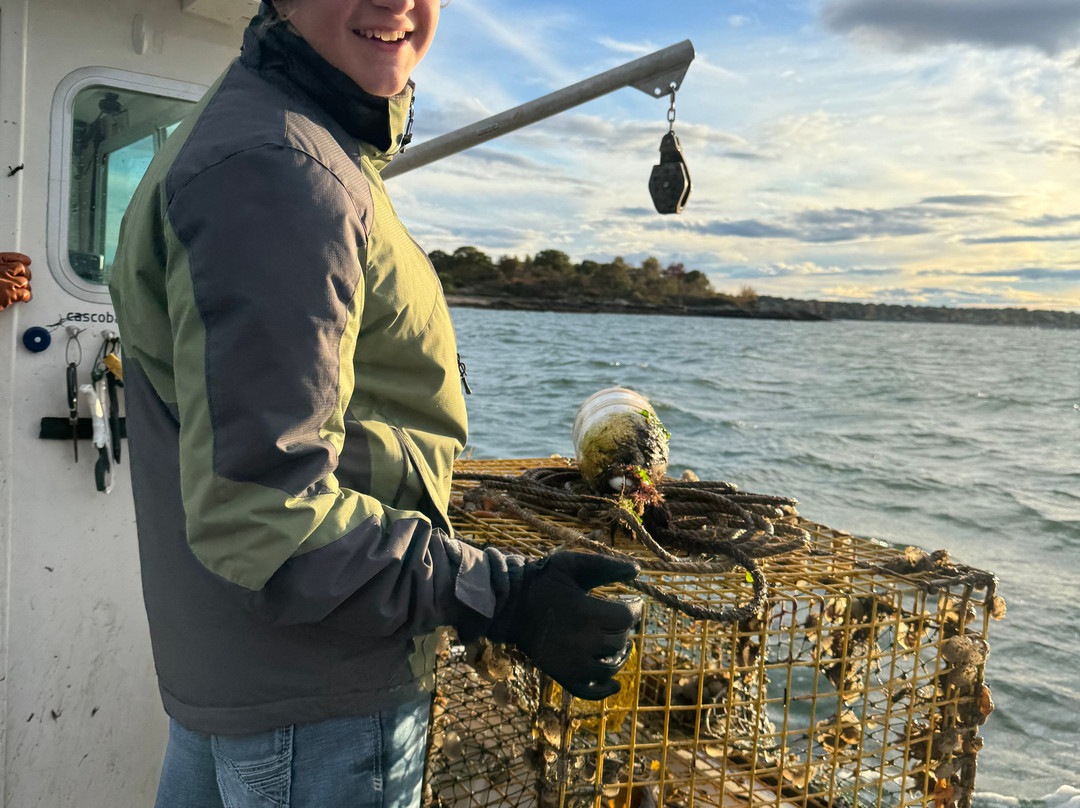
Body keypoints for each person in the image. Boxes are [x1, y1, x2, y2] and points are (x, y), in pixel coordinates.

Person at [108, 1, 639, 806]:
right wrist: (504, 596)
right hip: (316, 697)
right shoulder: (281, 168)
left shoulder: (285, 131)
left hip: (242, 677)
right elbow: (267, 516)